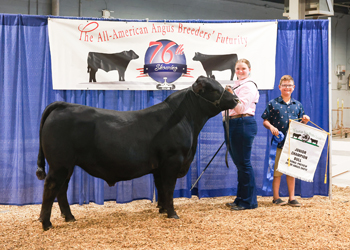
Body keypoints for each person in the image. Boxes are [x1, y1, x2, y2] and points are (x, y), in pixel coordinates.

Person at [261, 75, 310, 207]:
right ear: (280, 87)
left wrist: (304, 120)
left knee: (291, 171)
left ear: (293, 88)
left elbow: (301, 125)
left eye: (289, 86)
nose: (287, 88)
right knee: (277, 172)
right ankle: (276, 197)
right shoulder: (272, 103)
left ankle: (292, 197)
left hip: (293, 144)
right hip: (278, 143)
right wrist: (271, 127)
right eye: (284, 85)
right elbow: (265, 120)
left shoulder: (298, 105)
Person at [223, 58, 260, 211]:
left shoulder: (249, 87)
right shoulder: (237, 85)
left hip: (243, 123)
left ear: (249, 70)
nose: (240, 71)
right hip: (232, 123)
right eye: (238, 69)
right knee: (240, 165)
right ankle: (240, 199)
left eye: (243, 68)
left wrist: (230, 95)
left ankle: (248, 202)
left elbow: (241, 108)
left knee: (244, 164)